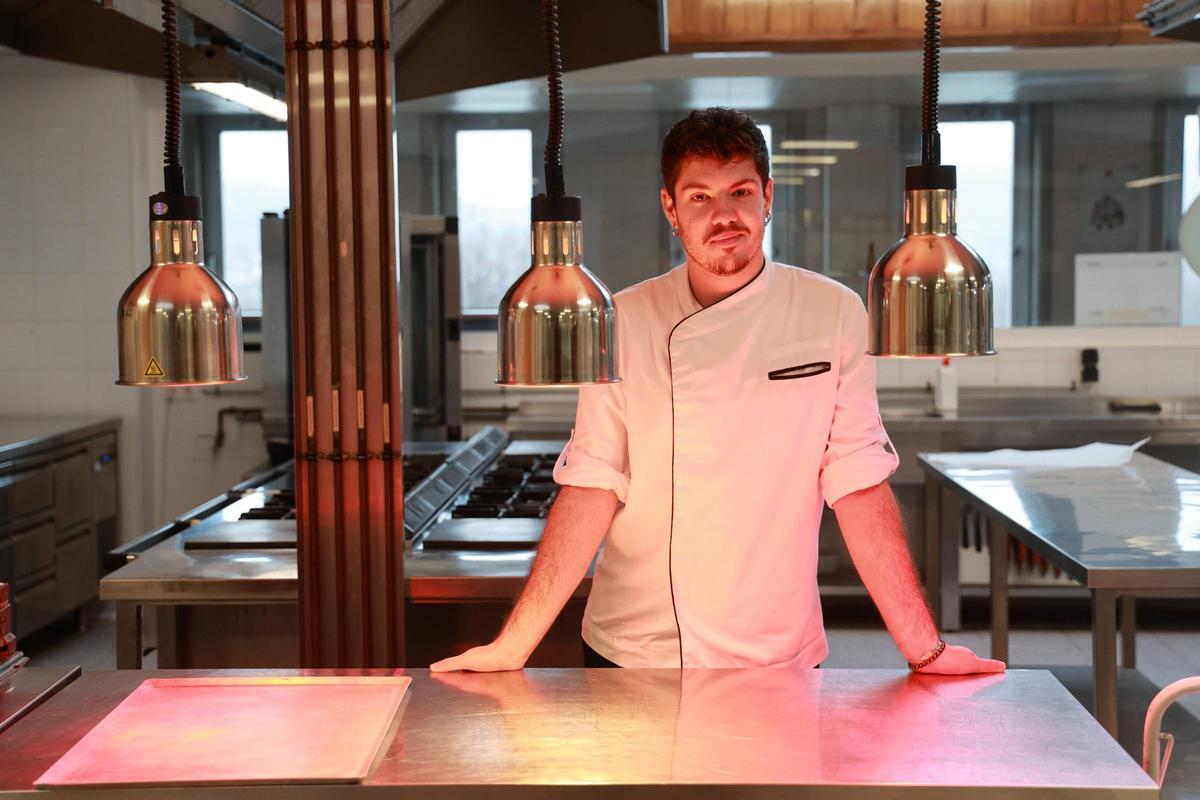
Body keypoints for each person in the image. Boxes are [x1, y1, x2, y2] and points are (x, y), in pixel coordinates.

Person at [432, 107, 1004, 675]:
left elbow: (857, 480)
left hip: (778, 645)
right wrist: (515, 646)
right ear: (670, 209)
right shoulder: (622, 319)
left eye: (740, 191)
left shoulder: (833, 311)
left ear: (769, 196)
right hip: (638, 646)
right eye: (700, 197)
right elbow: (592, 482)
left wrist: (923, 649)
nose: (724, 215)